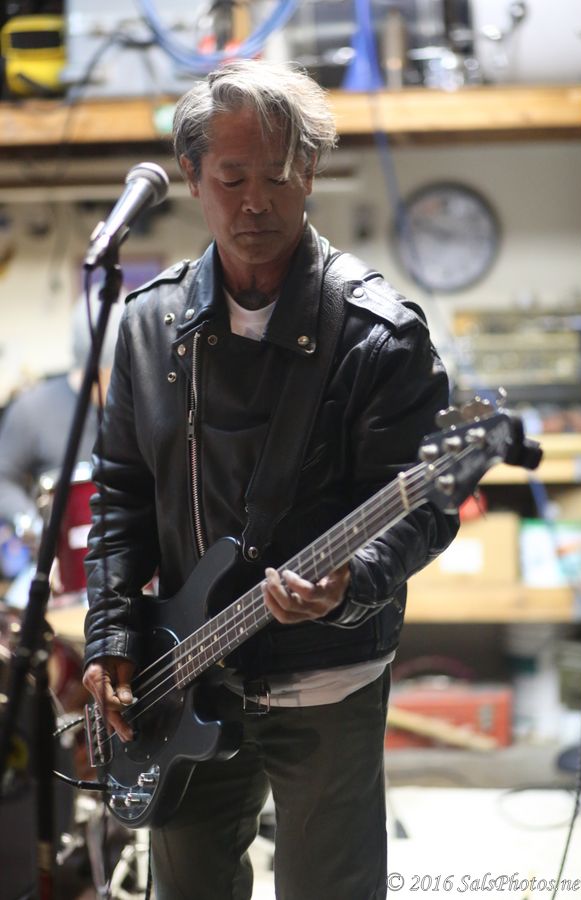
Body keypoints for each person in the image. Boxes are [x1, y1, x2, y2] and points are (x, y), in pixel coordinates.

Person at [82, 59, 459, 900]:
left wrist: (351, 581)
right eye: (232, 178)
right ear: (191, 177)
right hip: (182, 673)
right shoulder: (148, 325)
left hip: (326, 677)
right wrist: (110, 636)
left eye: (278, 176)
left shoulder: (378, 334)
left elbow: (427, 504)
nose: (255, 201)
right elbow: (120, 495)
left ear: (311, 171)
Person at [0, 288, 124, 595]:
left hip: (133, 570)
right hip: (55, 571)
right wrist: (32, 526)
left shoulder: (140, 407)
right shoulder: (33, 409)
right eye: (114, 369)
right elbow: (3, 478)